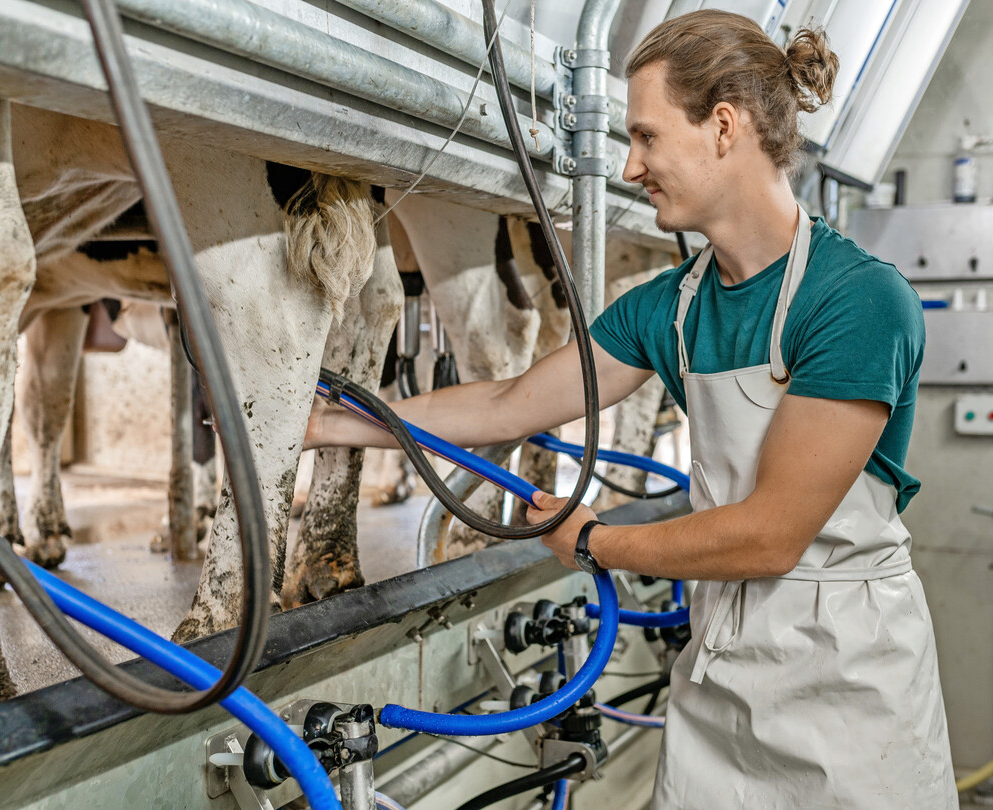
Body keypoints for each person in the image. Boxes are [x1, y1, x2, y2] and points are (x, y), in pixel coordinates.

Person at [305, 9, 955, 807]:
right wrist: (332, 424)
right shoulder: (671, 308)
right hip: (722, 667)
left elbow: (771, 534)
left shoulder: (857, 300)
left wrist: (594, 542)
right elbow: (509, 403)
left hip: (847, 679)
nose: (630, 166)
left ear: (724, 126)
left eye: (646, 136)